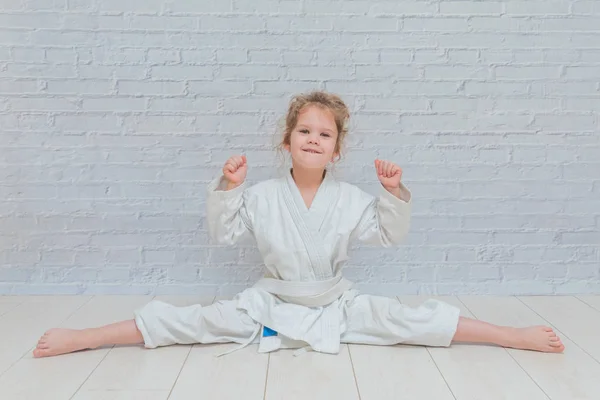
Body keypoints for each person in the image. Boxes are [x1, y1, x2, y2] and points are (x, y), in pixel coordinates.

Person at [33, 91, 564, 358]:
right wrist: (229, 188)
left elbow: (388, 234)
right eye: (303, 131)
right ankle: (87, 337)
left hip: (336, 303)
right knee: (192, 322)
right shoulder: (263, 195)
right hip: (271, 303)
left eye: (324, 134)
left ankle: (507, 335)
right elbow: (223, 235)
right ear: (286, 142)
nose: (313, 139)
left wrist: (393, 193)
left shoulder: (351, 197)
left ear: (337, 150)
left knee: (413, 320)